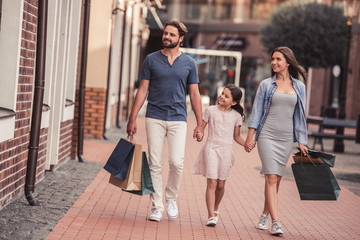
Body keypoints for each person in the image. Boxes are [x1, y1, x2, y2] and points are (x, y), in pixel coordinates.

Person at [126, 20, 203, 222]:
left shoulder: (189, 63)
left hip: (178, 118)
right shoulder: (151, 60)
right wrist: (133, 117)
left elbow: (194, 94)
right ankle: (157, 206)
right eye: (165, 33)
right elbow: (143, 90)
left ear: (180, 39)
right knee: (155, 163)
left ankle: (171, 198)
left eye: (171, 34)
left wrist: (200, 123)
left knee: (177, 162)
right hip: (154, 116)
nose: (166, 37)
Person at [244, 46, 308, 236]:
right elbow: (256, 112)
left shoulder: (300, 87)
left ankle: (265, 213)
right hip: (267, 135)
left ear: (288, 62)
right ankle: (276, 222)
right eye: (273, 59)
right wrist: (251, 136)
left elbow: (300, 116)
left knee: (276, 179)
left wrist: (301, 141)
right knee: (271, 177)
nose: (274, 62)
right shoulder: (266, 85)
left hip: (286, 138)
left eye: (278, 59)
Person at [193, 84, 245, 227]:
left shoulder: (236, 116)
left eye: (226, 96)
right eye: (222, 93)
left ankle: (215, 209)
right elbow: (201, 128)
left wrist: (246, 144)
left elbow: (237, 137)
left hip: (226, 151)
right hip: (211, 148)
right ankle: (210, 215)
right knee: (212, 182)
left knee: (221, 184)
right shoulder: (210, 110)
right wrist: (199, 134)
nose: (222, 96)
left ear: (234, 102)